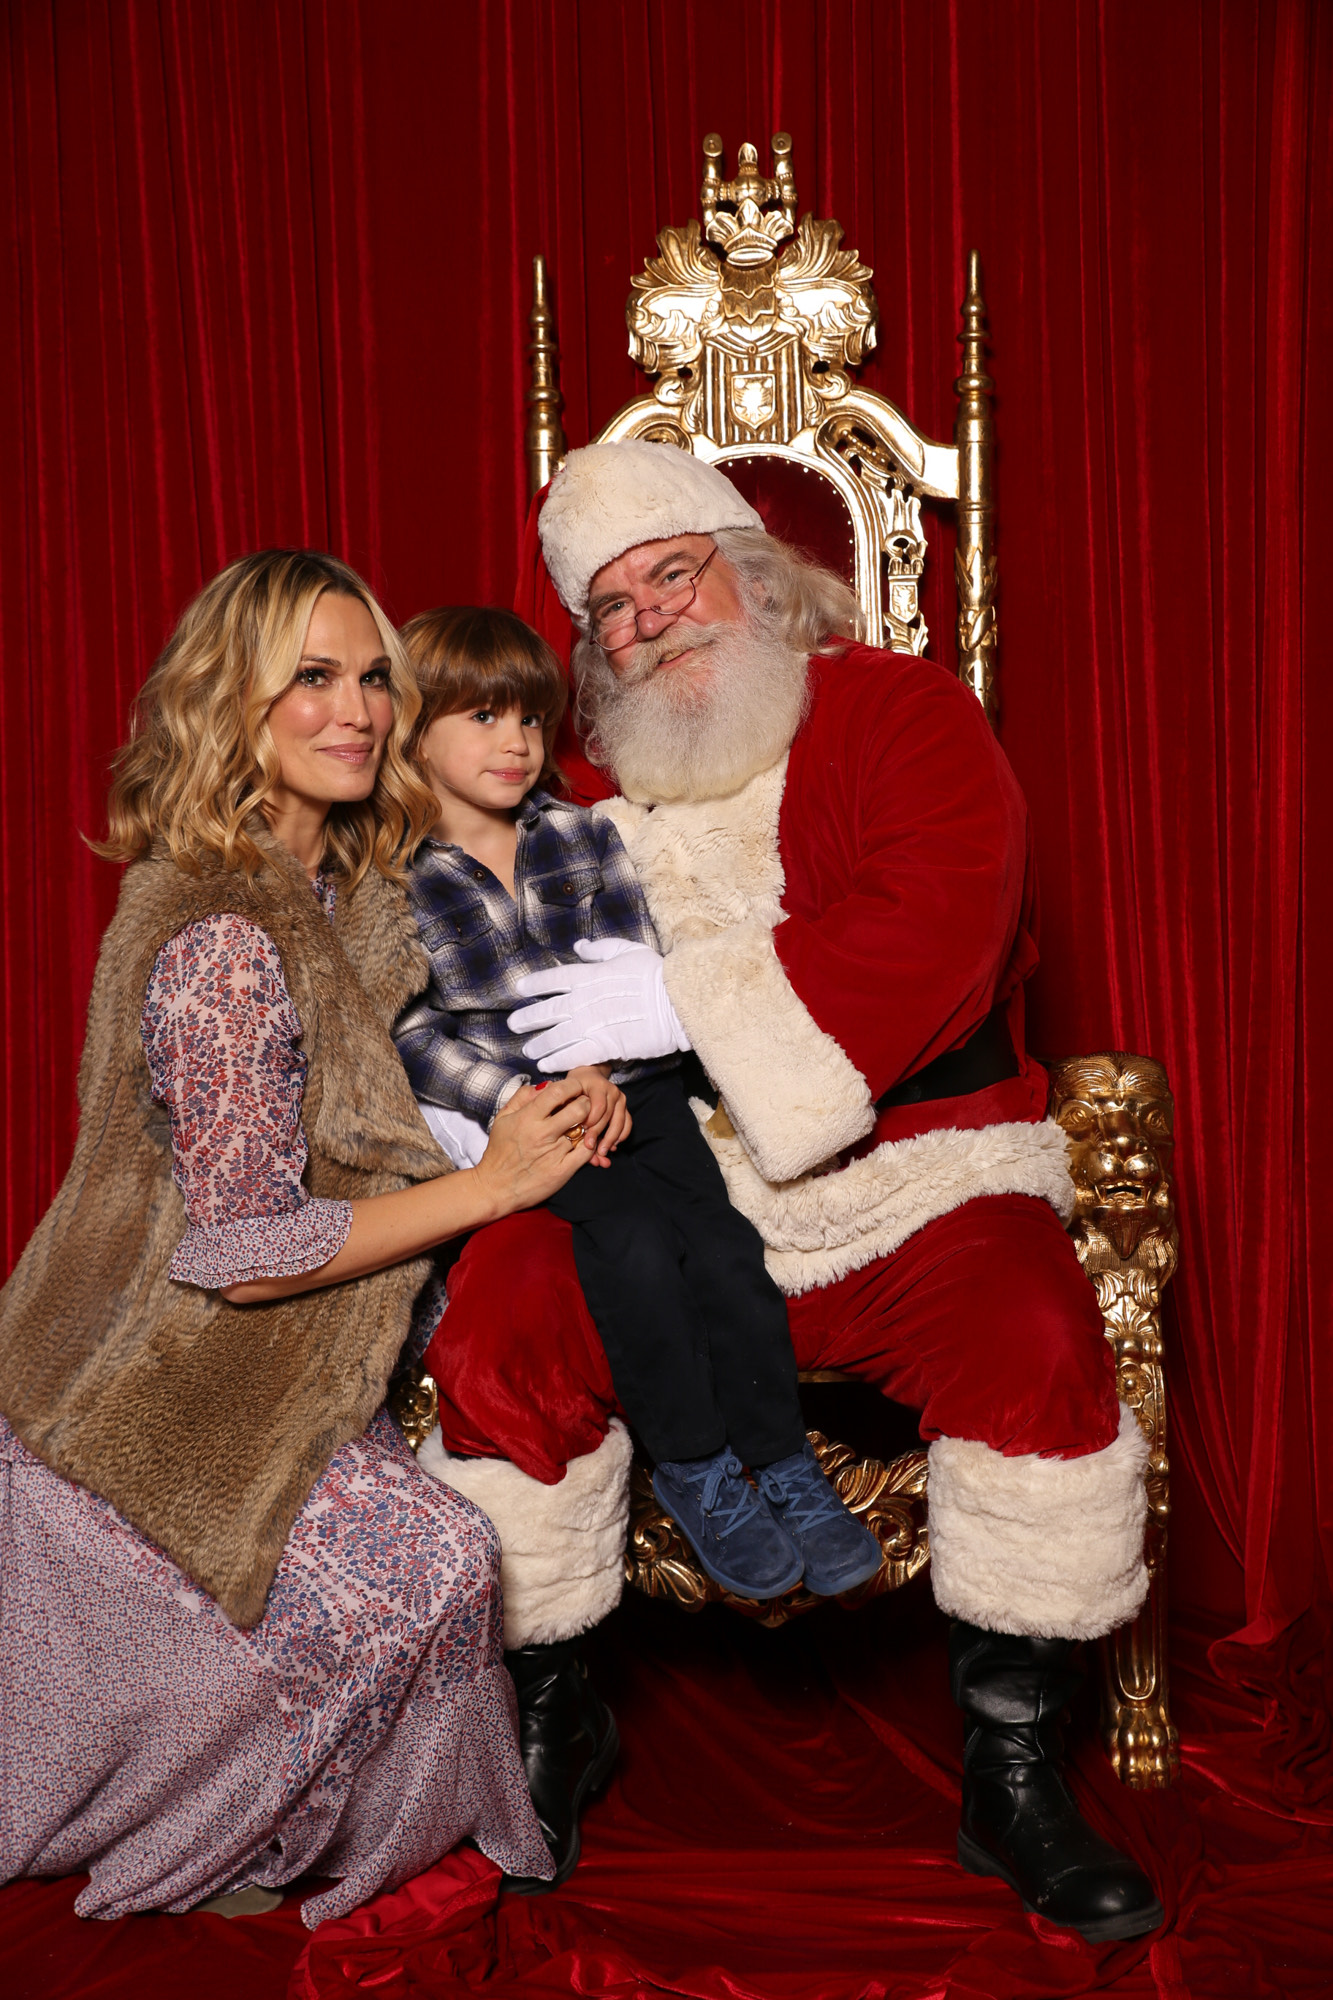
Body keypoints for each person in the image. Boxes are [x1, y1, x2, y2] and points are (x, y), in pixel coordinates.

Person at [414, 442, 1165, 1944]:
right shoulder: (565, 794)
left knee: (1030, 1339)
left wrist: (687, 1004)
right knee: (499, 1326)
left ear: (751, 573)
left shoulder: (904, 717)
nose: (649, 625)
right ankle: (551, 1721)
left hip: (914, 1177)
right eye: (611, 612)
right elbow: (468, 959)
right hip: (662, 1189)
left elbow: (939, 923)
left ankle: (1011, 1773)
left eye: (671, 578)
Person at [0, 548, 595, 1925]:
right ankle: (220, 1849)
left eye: (376, 678)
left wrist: (584, 1072)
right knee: (441, 1562)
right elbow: (245, 1252)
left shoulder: (364, 888)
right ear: (234, 705)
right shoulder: (222, 936)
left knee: (451, 1551)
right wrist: (492, 1187)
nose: (361, 710)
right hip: (155, 1383)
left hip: (303, 1366)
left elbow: (494, 1006)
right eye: (313, 679)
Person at [391, 605, 881, 1629]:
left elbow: (628, 960)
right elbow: (411, 1031)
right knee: (633, 1243)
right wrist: (520, 1103)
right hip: (512, 1118)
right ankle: (698, 1467)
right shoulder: (392, 877)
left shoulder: (577, 833)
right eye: (484, 717)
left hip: (630, 1086)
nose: (517, 741)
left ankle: (783, 1463)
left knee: (720, 1241)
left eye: (531, 718)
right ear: (415, 728)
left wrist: (605, 1069)